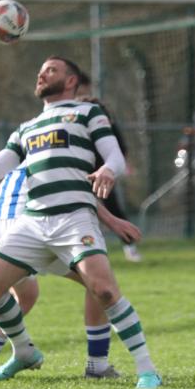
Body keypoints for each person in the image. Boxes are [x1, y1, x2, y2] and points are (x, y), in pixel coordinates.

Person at [0, 56, 162, 389]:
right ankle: (24, 350)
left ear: (71, 80)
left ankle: (147, 370)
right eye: (40, 70)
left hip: (75, 219)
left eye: (51, 69)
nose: (42, 73)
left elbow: (114, 156)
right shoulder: (27, 127)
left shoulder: (88, 113)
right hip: (32, 222)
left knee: (104, 290)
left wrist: (107, 170)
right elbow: (3, 162)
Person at [0, 164, 142, 381]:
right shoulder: (53, 159)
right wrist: (113, 221)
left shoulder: (16, 163)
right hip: (30, 231)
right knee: (96, 284)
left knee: (25, 296)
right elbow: (78, 194)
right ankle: (97, 365)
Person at [76, 76, 142, 262]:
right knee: (78, 210)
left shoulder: (100, 116)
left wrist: (114, 166)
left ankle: (130, 247)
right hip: (78, 174)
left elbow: (119, 147)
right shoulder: (70, 117)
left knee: (113, 210)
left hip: (101, 174)